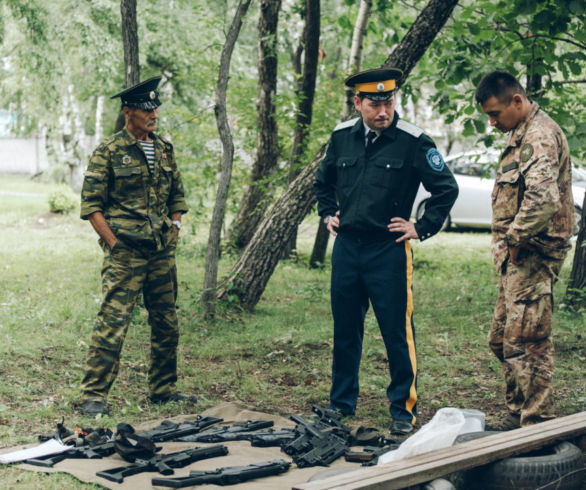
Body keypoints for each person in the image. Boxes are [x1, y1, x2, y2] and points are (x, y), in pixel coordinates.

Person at [314, 68, 458, 436]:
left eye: (389, 101)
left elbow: (446, 189)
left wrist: (420, 227)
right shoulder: (341, 137)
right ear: (358, 102)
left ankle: (402, 409)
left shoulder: (413, 141)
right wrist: (328, 213)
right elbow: (323, 181)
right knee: (346, 329)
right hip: (347, 248)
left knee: (397, 332)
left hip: (388, 250)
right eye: (375, 104)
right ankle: (340, 404)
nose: (384, 111)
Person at [78, 76, 195, 416]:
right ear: (128, 112)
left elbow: (177, 194)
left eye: (155, 108)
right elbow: (91, 206)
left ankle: (163, 389)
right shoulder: (109, 151)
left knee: (166, 322)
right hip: (125, 254)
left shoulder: (163, 149)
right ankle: (93, 396)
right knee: (113, 323)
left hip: (160, 251)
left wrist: (174, 227)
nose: (153, 114)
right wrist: (114, 244)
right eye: (146, 109)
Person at [475, 71, 574, 429]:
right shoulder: (521, 132)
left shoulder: (540, 136)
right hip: (516, 258)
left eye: (495, 114)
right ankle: (518, 413)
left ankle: (537, 426)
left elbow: (543, 200)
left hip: (532, 254)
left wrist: (515, 239)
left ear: (517, 101)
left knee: (527, 344)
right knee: (502, 340)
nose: (492, 122)